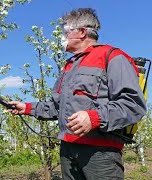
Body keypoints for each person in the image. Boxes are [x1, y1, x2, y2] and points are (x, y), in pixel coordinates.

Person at [8, 8, 146, 180]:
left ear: (82, 32)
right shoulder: (69, 66)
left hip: (100, 154)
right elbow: (57, 107)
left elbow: (133, 105)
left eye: (66, 31)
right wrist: (27, 108)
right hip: (68, 150)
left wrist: (95, 118)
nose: (62, 36)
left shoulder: (112, 57)